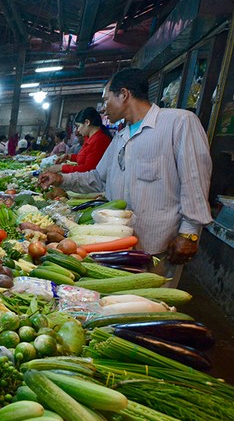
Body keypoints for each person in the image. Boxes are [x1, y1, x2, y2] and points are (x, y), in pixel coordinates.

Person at [39, 68, 212, 287]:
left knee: (153, 308)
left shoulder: (179, 123)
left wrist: (189, 234)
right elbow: (97, 178)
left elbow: (195, 180)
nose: (103, 108)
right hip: (118, 244)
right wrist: (60, 179)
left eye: (106, 99)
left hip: (159, 245)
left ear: (123, 94)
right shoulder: (120, 137)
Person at [47, 107, 113, 174]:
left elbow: (88, 169)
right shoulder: (90, 138)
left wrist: (61, 168)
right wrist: (68, 156)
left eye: (78, 126)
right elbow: (84, 158)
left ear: (87, 122)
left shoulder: (100, 140)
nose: (77, 130)